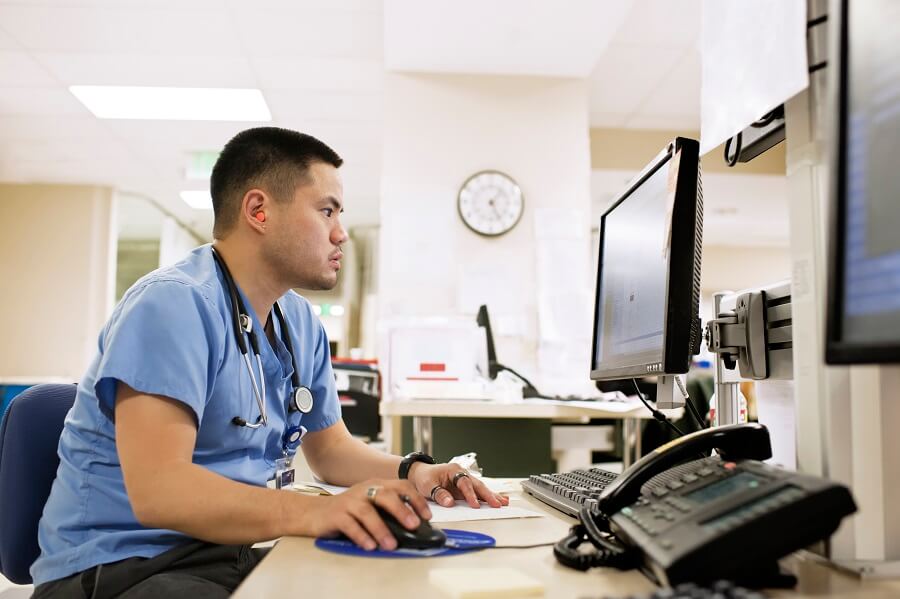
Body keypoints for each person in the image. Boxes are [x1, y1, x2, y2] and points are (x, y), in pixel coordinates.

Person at [31, 127, 508, 598]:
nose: (340, 233)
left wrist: (414, 472)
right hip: (120, 570)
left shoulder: (299, 322)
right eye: (326, 211)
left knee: (390, 583)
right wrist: (312, 513)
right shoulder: (172, 307)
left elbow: (331, 452)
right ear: (258, 210)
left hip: (221, 556)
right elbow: (160, 490)